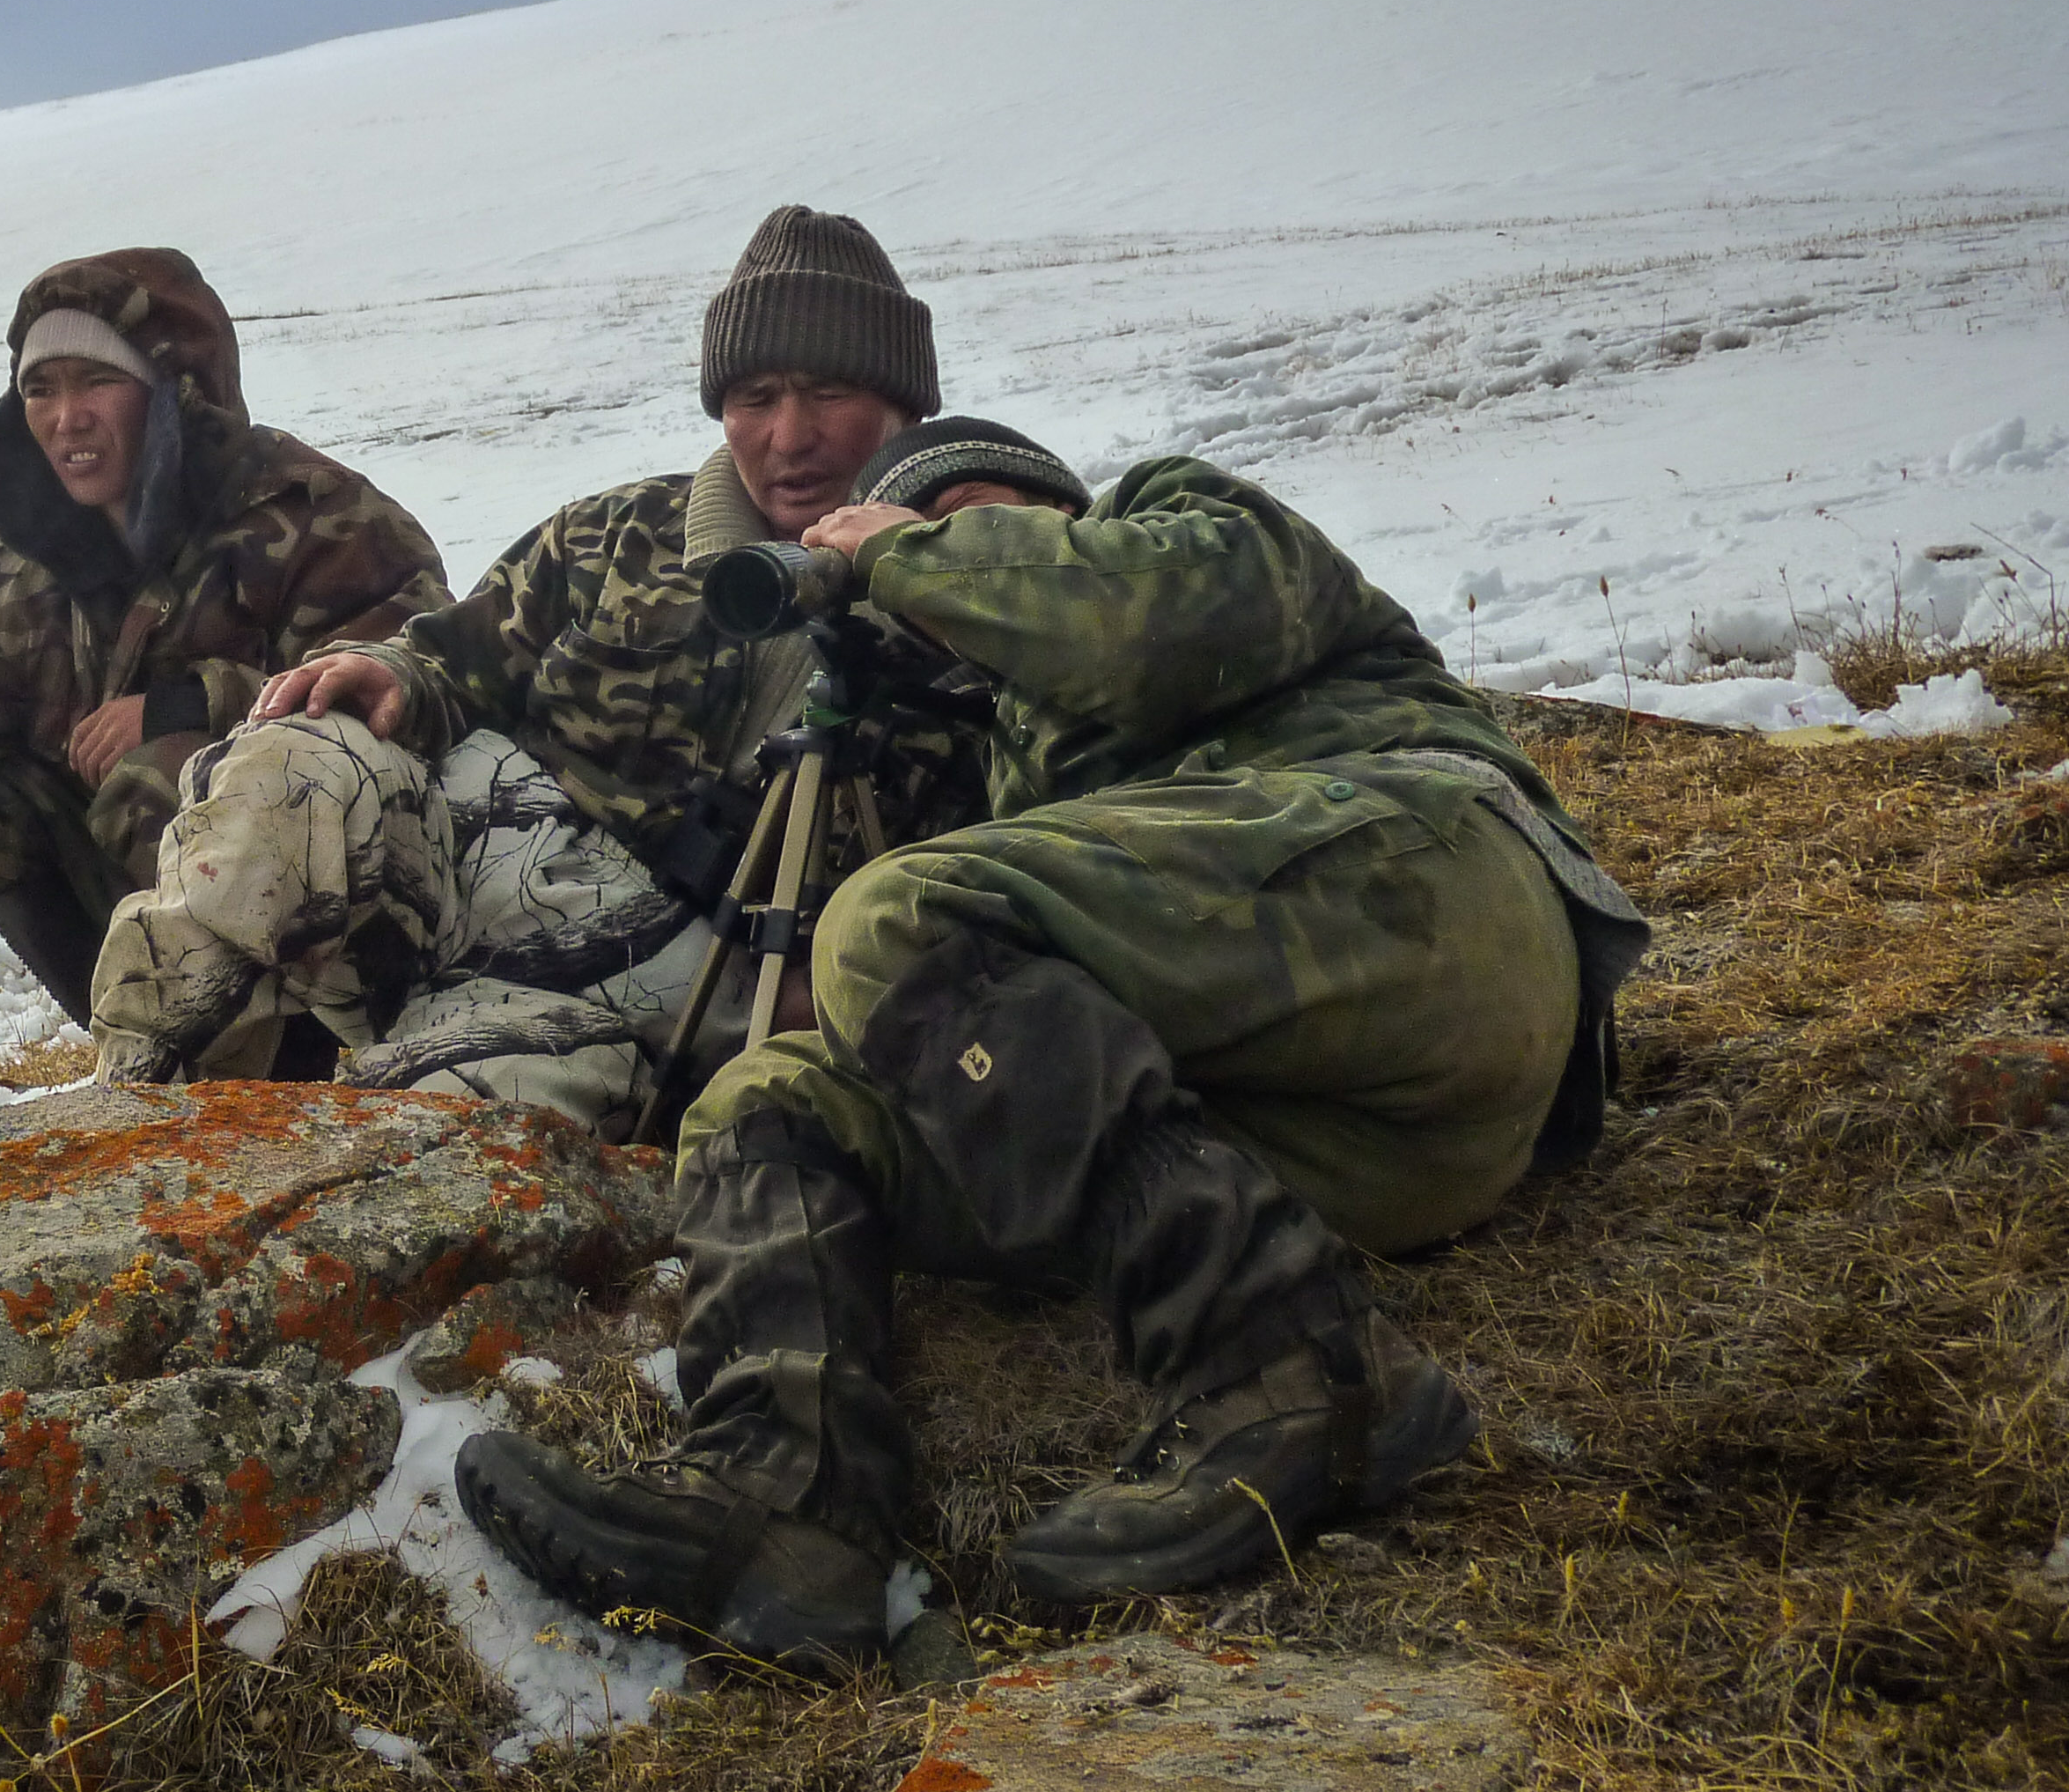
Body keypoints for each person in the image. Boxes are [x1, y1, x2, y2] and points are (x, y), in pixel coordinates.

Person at [451, 448, 1652, 1667]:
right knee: (770, 1096)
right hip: (1360, 1143)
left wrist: (891, 545)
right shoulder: (1014, 758)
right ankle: (780, 1509)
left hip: (1430, 903)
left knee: (893, 914)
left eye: (966, 518)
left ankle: (1290, 1362)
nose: (930, 555)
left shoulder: (1184, 519)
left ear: (1059, 506)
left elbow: (1131, 620)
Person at [88, 206, 1027, 1132]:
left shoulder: (982, 609)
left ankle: (316, 1151)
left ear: (906, 405)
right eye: (756, 398)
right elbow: (447, 659)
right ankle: (129, 1121)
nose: (789, 437)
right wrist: (391, 673)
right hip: (470, 859)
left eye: (827, 394)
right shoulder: (617, 533)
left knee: (441, 1142)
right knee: (286, 769)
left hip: (668, 992)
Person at [0, 247, 448, 1060]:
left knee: (160, 773)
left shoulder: (317, 516)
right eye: (40, 388)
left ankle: (285, 1068)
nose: (65, 417)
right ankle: (155, 1048)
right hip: (172, 905)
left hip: (363, 903)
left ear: (172, 390)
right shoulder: (29, 559)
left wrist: (191, 705)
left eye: (96, 382)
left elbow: (412, 681)